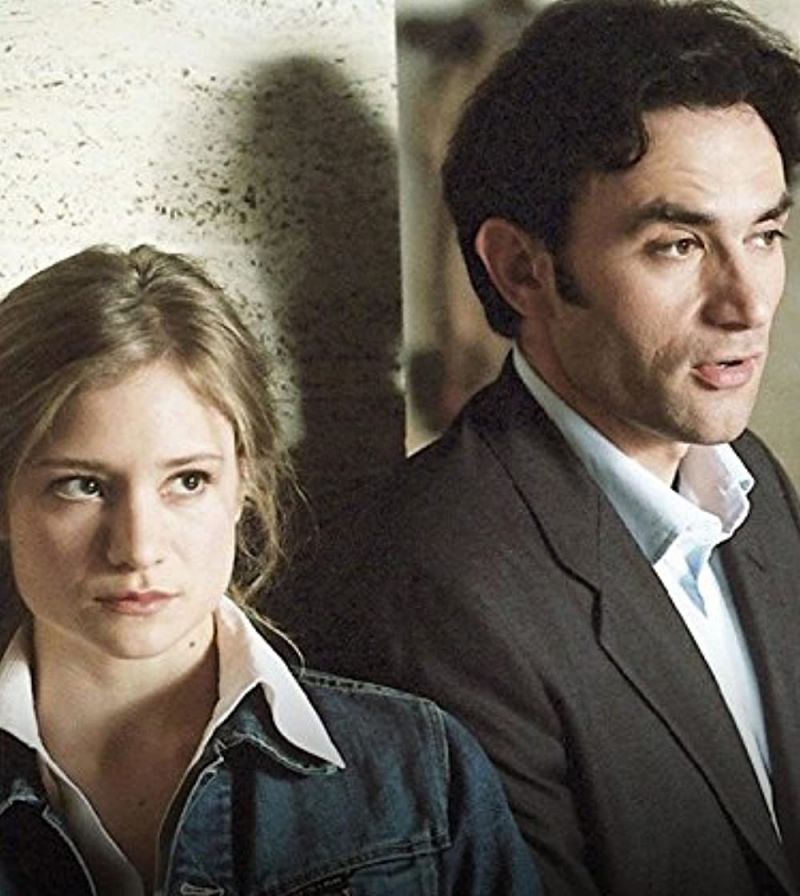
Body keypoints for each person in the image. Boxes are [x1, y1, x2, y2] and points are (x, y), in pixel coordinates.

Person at [269, 2, 800, 895]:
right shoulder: (436, 589)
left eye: (766, 235)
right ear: (523, 269)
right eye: (678, 245)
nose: (747, 304)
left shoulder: (751, 487)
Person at [0, 244, 540, 896]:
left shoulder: (417, 772)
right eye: (82, 486)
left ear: (243, 483)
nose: (137, 548)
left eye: (188, 480)